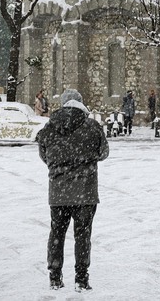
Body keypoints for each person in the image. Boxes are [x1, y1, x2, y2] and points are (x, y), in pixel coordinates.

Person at [38, 89, 109, 292]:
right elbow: (103, 153)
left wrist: (60, 168)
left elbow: (44, 156)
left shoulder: (49, 127)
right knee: (82, 235)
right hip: (85, 192)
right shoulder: (92, 126)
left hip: (58, 192)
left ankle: (54, 277)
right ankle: (81, 278)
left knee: (57, 234)